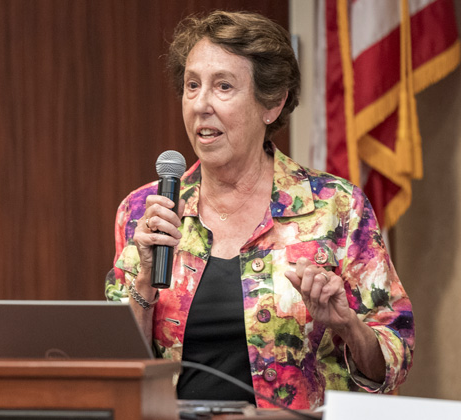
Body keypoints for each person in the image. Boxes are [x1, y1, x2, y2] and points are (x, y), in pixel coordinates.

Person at [105, 10, 414, 410]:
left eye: (223, 87)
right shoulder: (144, 211)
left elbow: (395, 355)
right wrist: (145, 280)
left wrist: (347, 325)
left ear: (272, 103)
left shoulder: (336, 206)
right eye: (192, 85)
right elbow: (114, 365)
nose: (200, 105)